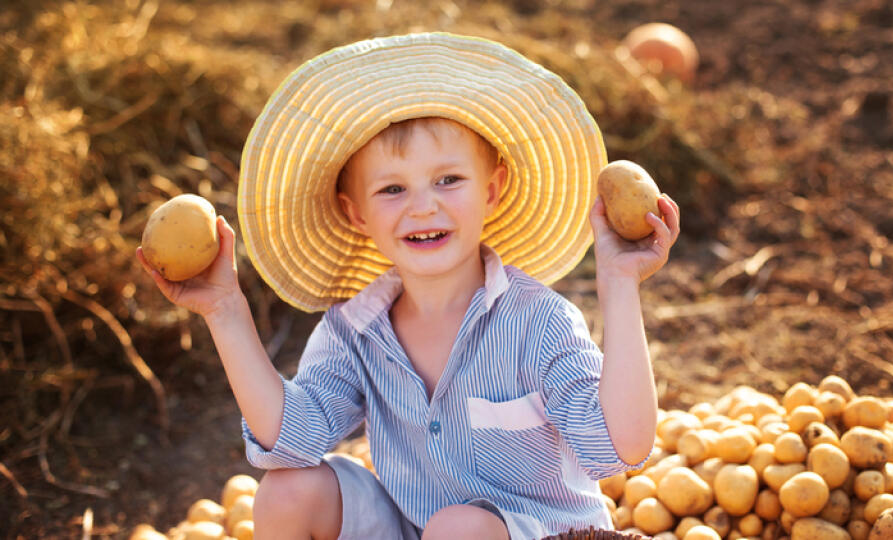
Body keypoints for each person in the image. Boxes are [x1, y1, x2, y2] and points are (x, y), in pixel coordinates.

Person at [137, 32, 680, 540]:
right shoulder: (355, 332)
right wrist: (226, 310)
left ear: (492, 191)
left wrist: (619, 281)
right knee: (288, 491)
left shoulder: (538, 321)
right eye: (393, 188)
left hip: (546, 533)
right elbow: (293, 442)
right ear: (355, 214)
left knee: (457, 528)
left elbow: (620, 448)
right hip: (422, 529)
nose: (424, 204)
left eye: (449, 180)